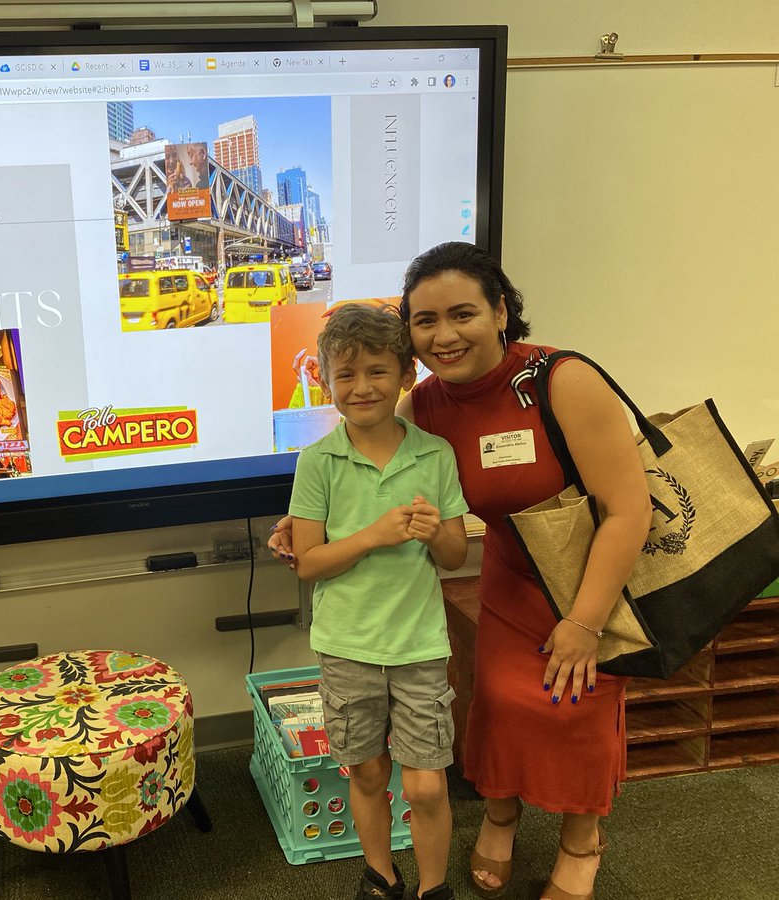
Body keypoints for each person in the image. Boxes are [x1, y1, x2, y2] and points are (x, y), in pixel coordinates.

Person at [270, 243, 652, 900]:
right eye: (425, 320)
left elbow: (627, 509)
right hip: (508, 574)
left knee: (576, 706)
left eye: (463, 313)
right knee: (499, 705)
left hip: (586, 573)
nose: (444, 335)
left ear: (502, 310)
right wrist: (303, 527)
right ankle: (500, 818)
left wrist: (585, 622)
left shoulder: (560, 380)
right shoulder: (431, 404)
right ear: (410, 337)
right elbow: (371, 457)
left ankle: (581, 842)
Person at [288, 302, 469, 900]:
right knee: (365, 770)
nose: (361, 387)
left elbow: (453, 556)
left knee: (425, 785)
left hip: (418, 643)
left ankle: (433, 887)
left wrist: (433, 529)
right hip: (346, 644)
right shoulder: (318, 461)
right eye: (346, 374)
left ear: (406, 377)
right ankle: (380, 875)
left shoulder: (434, 454)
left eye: (376, 372)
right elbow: (309, 563)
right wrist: (372, 536)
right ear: (325, 381)